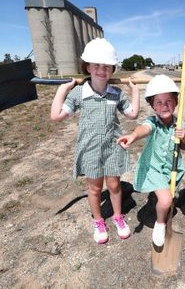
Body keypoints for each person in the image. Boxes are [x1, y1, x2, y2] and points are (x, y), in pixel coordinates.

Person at [50, 38, 140, 244]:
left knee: (115, 186)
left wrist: (134, 92)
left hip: (112, 148)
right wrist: (62, 90)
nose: (102, 70)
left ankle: (118, 217)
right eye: (96, 65)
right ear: (87, 67)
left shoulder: (116, 93)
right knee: (95, 189)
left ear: (112, 69)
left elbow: (133, 114)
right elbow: (56, 116)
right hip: (90, 149)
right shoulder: (79, 93)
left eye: (107, 66)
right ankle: (98, 220)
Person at [117, 75, 185, 247]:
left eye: (169, 101)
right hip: (154, 168)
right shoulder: (152, 121)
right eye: (159, 102)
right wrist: (133, 136)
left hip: (172, 168)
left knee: (169, 197)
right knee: (165, 201)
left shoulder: (180, 123)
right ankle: (160, 223)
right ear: (152, 105)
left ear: (176, 102)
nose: (164, 106)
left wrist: (184, 137)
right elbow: (144, 129)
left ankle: (160, 203)